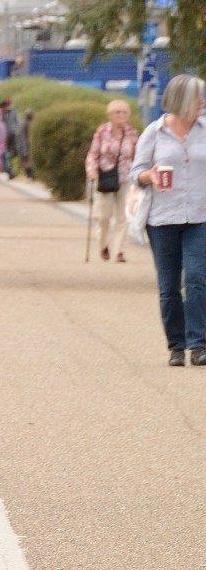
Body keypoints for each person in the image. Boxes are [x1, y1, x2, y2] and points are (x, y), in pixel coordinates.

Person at [132, 73, 206, 367]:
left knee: (198, 278)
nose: (202, 102)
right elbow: (135, 173)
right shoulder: (154, 132)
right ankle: (176, 345)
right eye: (198, 97)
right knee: (169, 286)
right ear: (182, 102)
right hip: (162, 218)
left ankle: (198, 343)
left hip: (200, 216)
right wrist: (149, 176)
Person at [84, 98, 138, 263]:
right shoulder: (102, 131)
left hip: (125, 177)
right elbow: (93, 153)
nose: (121, 115)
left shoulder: (132, 133)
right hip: (105, 177)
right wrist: (91, 170)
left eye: (124, 112)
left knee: (124, 216)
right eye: (117, 112)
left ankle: (120, 251)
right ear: (110, 115)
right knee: (104, 216)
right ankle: (103, 244)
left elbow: (138, 155)